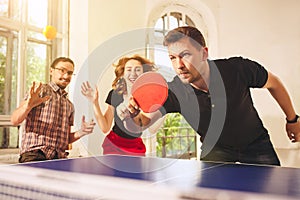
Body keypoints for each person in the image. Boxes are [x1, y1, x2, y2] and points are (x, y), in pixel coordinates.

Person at [123, 26, 300, 166]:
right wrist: (131, 115)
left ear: (204, 53)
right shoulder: (174, 91)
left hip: (256, 143)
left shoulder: (237, 69)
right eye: (172, 58)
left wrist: (292, 120)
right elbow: (142, 122)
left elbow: (274, 83)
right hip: (216, 149)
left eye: (185, 55)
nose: (179, 65)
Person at [11, 57, 96, 163]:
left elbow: (66, 140)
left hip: (59, 158)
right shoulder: (40, 91)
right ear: (51, 71)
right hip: (35, 155)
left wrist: (81, 132)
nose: (66, 76)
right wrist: (27, 106)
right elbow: (14, 120)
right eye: (62, 70)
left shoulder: (69, 105)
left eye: (70, 73)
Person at [81, 55, 158, 156]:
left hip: (136, 145)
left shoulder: (147, 98)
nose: (133, 74)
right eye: (129, 70)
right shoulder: (115, 94)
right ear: (123, 74)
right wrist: (95, 102)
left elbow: (148, 126)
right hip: (114, 144)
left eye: (138, 70)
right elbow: (105, 127)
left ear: (143, 73)